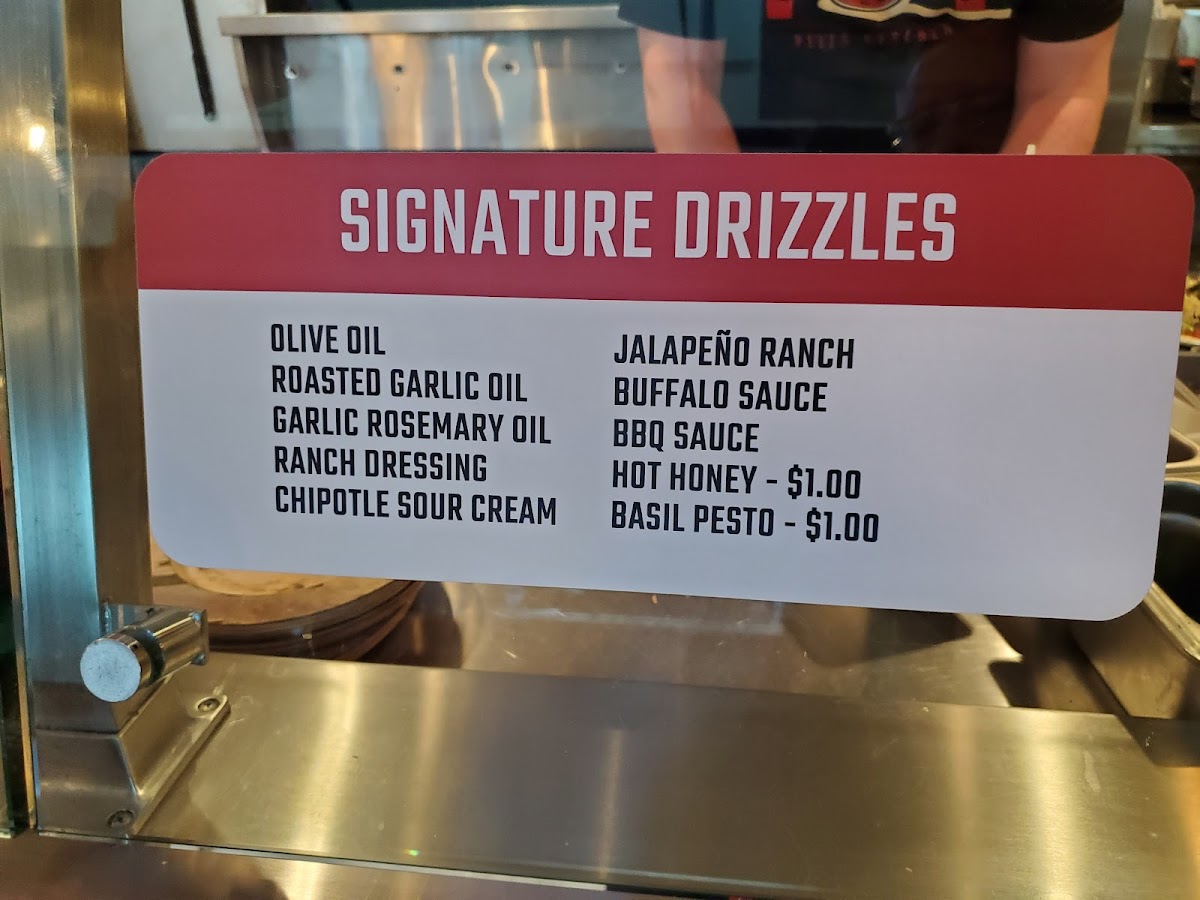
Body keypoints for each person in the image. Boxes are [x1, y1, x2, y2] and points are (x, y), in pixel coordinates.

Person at [620, 0, 1122, 154]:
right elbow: (680, 80)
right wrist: (739, 251)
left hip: (976, 181)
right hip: (769, 196)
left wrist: (999, 245)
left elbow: (1061, 91)